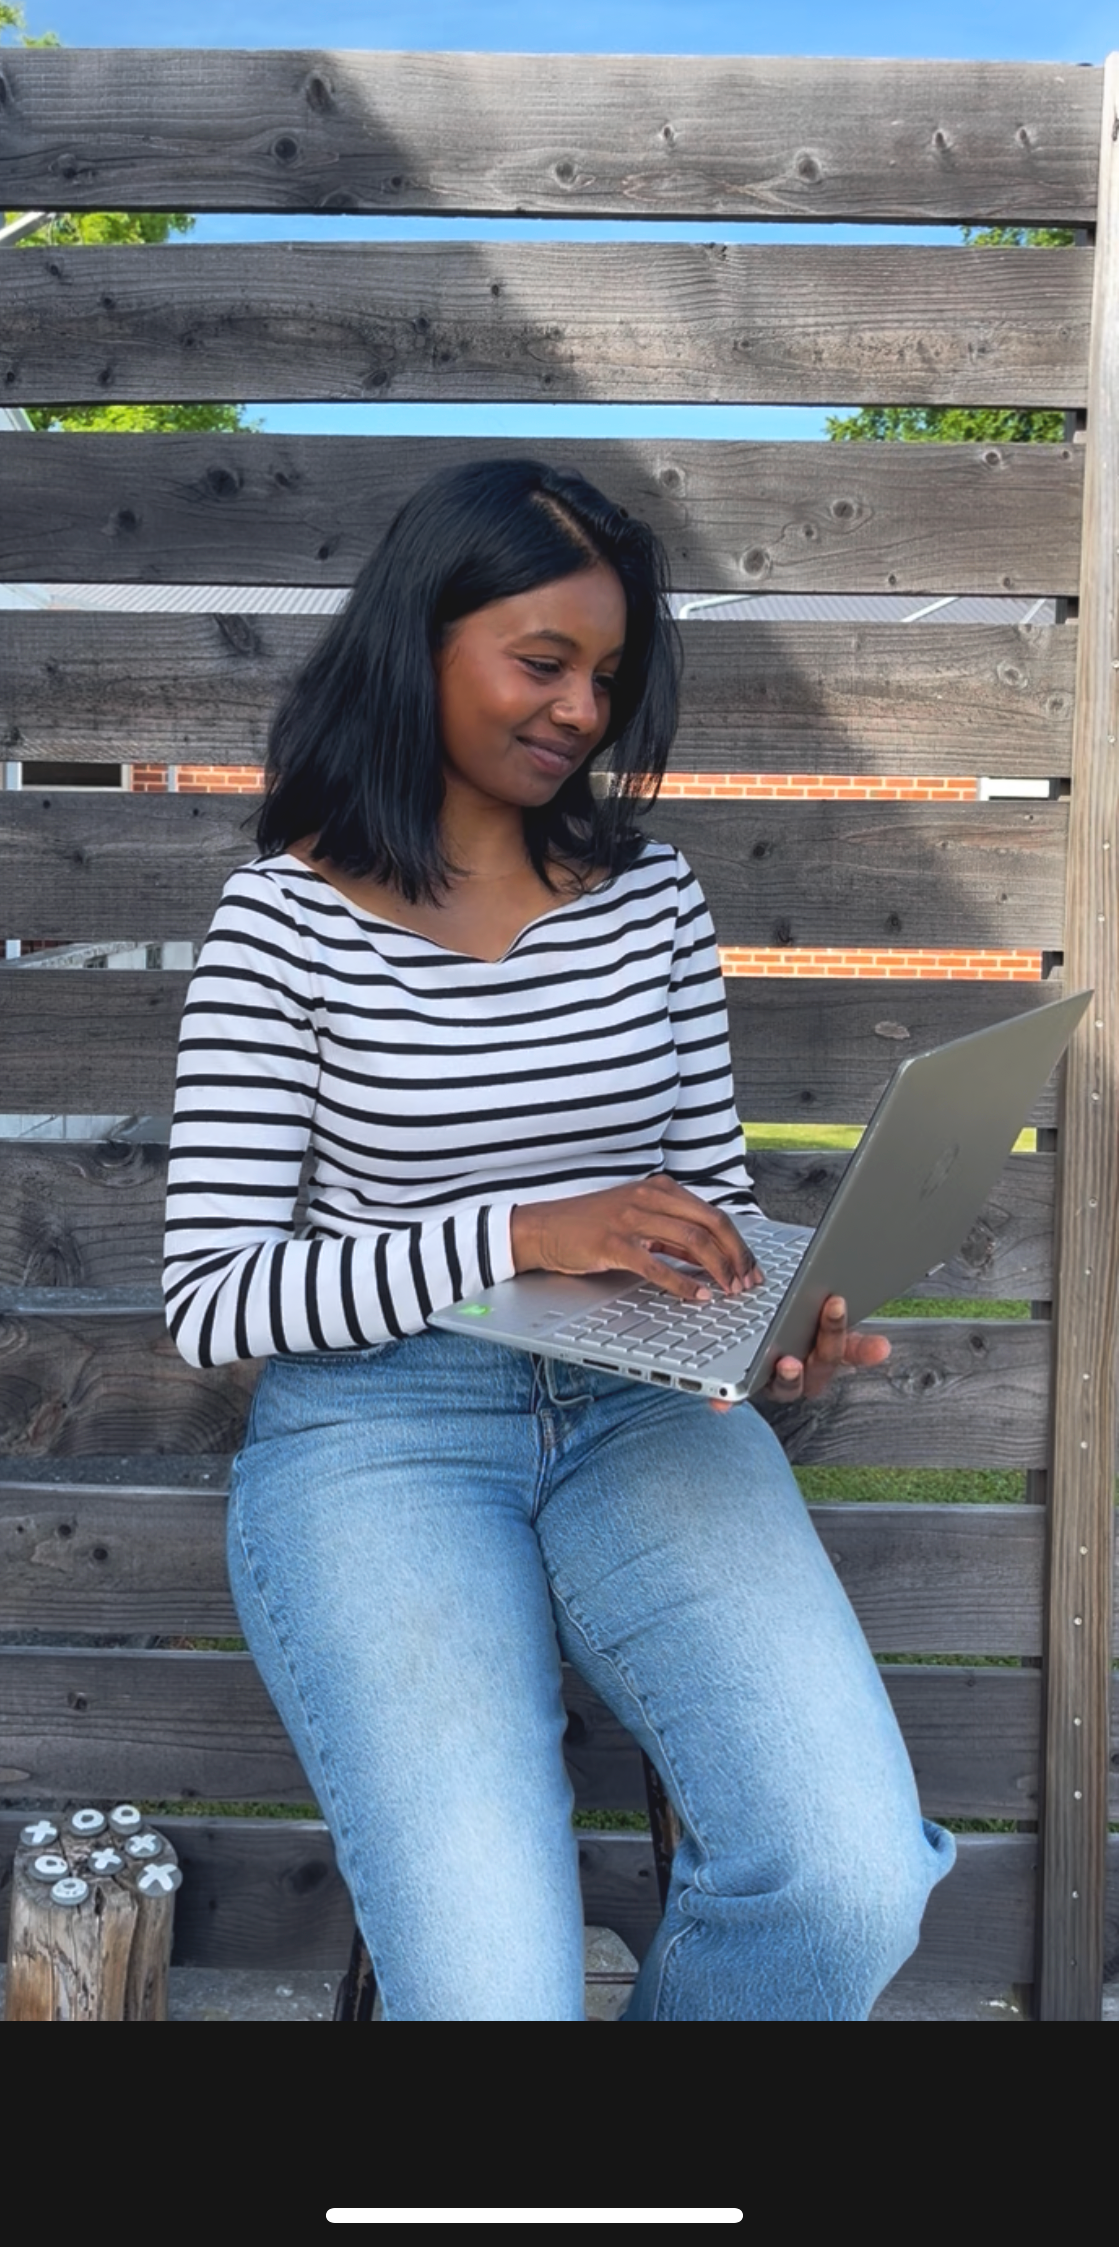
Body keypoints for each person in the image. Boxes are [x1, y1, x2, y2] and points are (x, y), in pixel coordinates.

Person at [163, 457, 955, 2020]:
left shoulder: (648, 898)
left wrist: (769, 1321)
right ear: (422, 639)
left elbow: (705, 1197)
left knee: (850, 1878)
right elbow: (211, 1301)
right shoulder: (282, 923)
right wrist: (519, 1229)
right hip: (378, 1436)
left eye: (607, 674)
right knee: (491, 1994)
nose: (583, 709)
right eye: (543, 661)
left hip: (642, 1413)